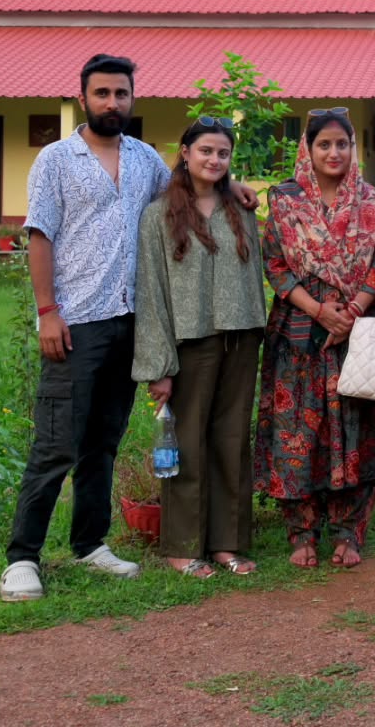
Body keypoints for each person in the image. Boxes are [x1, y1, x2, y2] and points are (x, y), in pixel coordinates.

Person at [0, 55, 257, 602]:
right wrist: (47, 310)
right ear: (83, 98)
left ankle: (90, 544)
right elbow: (39, 234)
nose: (112, 102)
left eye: (121, 93)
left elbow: (195, 185)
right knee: (55, 444)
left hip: (130, 322)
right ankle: (22, 558)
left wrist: (234, 189)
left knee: (104, 443)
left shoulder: (144, 160)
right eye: (102, 93)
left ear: (132, 98)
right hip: (76, 320)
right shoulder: (55, 160)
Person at [255, 109, 375, 569]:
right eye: (324, 145)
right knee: (297, 433)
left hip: (358, 337)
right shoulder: (284, 200)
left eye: (342, 144)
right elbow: (275, 264)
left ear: (353, 148)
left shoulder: (372, 202)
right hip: (298, 337)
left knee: (357, 432)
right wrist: (319, 311)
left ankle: (350, 532)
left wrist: (353, 311)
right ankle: (301, 532)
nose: (334, 153)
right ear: (308, 150)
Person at [132, 117, 267, 578]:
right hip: (190, 343)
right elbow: (151, 291)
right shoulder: (158, 215)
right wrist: (159, 364)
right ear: (185, 153)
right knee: (187, 444)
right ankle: (184, 546)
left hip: (241, 337)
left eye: (223, 153)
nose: (214, 160)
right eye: (205, 150)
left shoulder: (242, 209)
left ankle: (227, 543)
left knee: (231, 441)